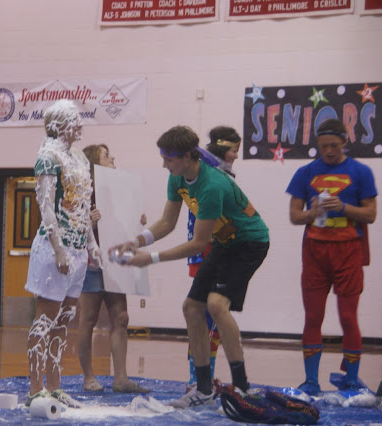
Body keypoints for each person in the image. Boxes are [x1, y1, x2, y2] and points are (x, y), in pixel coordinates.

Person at [112, 125, 269, 408]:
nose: (164, 164)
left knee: (217, 306)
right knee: (191, 308)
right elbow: (167, 222)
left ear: (187, 156)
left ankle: (242, 386)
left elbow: (198, 244)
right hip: (224, 242)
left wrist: (151, 258)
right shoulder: (177, 177)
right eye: (162, 158)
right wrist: (136, 241)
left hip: (249, 242)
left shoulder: (211, 186)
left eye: (168, 158)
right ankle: (203, 388)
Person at [286, 118, 377, 395]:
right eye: (324, 146)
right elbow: (294, 216)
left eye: (334, 145)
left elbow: (371, 214)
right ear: (317, 143)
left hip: (348, 250)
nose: (328, 151)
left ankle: (351, 381)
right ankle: (311, 381)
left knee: (348, 317)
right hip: (315, 251)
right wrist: (312, 213)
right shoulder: (304, 172)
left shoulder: (361, 172)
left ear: (345, 142)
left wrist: (343, 207)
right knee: (313, 316)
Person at [24, 100, 100, 408]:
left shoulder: (79, 157)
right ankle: (35, 388)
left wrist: (91, 244)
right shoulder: (48, 157)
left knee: (64, 320)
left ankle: (55, 386)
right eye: (74, 120)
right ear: (58, 125)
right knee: (45, 317)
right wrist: (58, 249)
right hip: (55, 248)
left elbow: (82, 206)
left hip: (78, 248)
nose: (80, 125)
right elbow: (46, 206)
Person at [76, 143, 149, 394]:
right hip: (93, 262)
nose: (112, 158)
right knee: (88, 319)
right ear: (94, 163)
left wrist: (136, 221)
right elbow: (70, 224)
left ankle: (121, 378)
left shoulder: (120, 190)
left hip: (115, 260)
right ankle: (88, 376)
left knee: (121, 318)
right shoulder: (83, 191)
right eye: (106, 156)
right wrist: (89, 222)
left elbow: (122, 223)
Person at [186, 126, 240, 391]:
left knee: (216, 319)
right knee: (201, 318)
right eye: (234, 150)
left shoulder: (222, 174)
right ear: (221, 148)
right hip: (205, 251)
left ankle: (207, 377)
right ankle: (196, 379)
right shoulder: (206, 172)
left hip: (223, 251)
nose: (236, 156)